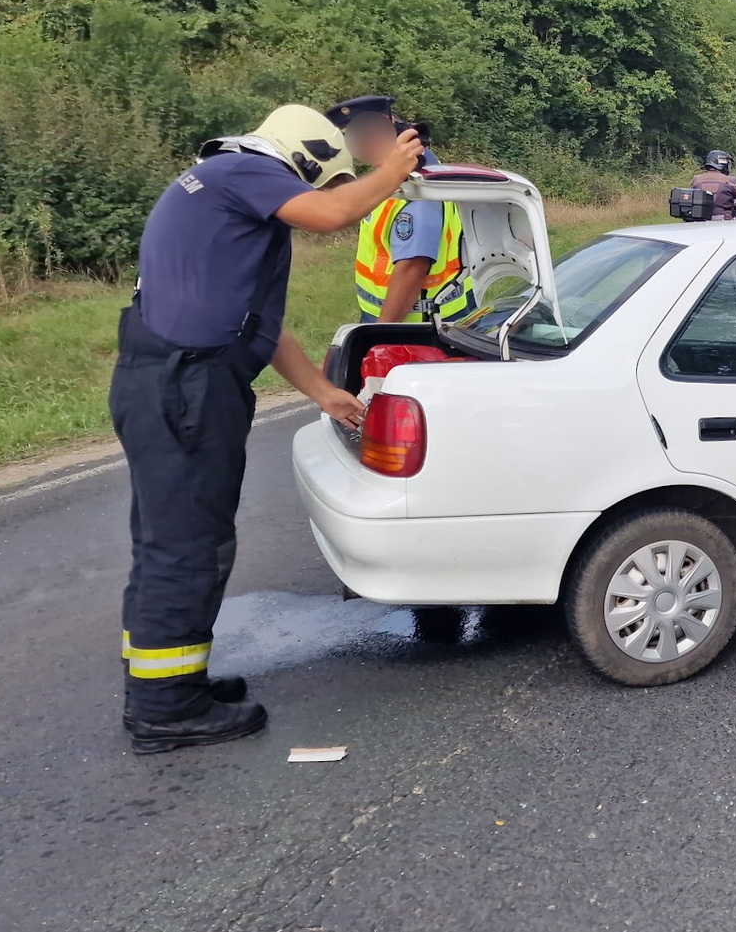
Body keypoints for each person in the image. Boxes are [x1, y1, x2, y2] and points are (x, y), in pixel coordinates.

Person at [113, 104, 424, 752]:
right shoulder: (244, 170)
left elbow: (257, 324)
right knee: (189, 541)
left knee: (167, 533)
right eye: (318, 179)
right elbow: (333, 214)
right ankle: (165, 705)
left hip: (169, 380)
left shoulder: (220, 188)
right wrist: (393, 170)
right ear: (303, 156)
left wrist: (323, 392)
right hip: (187, 383)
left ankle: (168, 674)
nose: (319, 194)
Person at [330, 96, 474, 323]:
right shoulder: (397, 177)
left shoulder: (417, 187)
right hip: (404, 319)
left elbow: (411, 269)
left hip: (414, 327)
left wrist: (379, 335)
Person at [692, 149, 736, 220]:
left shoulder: (696, 179)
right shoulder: (730, 180)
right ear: (722, 163)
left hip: (700, 218)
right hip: (723, 218)